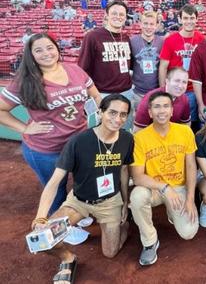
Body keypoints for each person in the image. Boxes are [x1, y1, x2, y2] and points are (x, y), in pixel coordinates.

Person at [30, 94, 134, 283]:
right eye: (112, 112)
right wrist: (41, 217)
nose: (117, 119)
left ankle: (123, 225)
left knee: (110, 253)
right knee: (42, 238)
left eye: (123, 114)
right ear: (100, 112)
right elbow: (54, 182)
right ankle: (68, 258)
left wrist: (125, 202)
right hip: (79, 201)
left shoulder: (127, 139)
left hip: (110, 202)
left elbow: (125, 169)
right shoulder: (78, 142)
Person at [0, 33, 101, 214]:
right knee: (56, 188)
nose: (46, 53)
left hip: (79, 144)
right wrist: (24, 128)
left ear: (57, 48)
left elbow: (95, 94)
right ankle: (61, 225)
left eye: (49, 47)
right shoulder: (25, 80)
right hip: (46, 149)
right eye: (38, 50)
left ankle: (76, 212)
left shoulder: (74, 69)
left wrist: (94, 112)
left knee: (82, 180)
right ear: (30, 55)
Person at [130, 91, 199, 266]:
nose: (162, 111)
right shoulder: (139, 138)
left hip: (179, 187)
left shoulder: (185, 132)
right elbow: (137, 177)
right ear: (150, 112)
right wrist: (165, 188)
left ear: (172, 110)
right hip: (153, 187)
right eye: (157, 107)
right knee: (137, 196)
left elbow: (191, 167)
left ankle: (172, 212)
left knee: (188, 232)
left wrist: (190, 199)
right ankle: (149, 241)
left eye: (166, 106)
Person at [78, 0, 133, 130]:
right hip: (102, 94)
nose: (118, 17)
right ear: (106, 15)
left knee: (124, 130)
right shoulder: (92, 36)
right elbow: (82, 70)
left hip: (126, 92)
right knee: (104, 131)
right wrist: (91, 95)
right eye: (114, 13)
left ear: (125, 17)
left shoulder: (125, 38)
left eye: (121, 14)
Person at [158, 5, 205, 126]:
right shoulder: (170, 40)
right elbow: (163, 66)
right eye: (185, 18)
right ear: (180, 19)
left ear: (196, 19)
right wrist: (163, 90)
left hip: (193, 90)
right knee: (172, 123)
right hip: (174, 89)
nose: (189, 21)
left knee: (192, 124)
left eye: (192, 18)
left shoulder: (202, 39)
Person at [130, 11, 165, 110]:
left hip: (157, 92)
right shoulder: (132, 41)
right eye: (145, 23)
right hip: (138, 93)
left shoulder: (162, 42)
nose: (148, 27)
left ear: (156, 25)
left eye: (151, 24)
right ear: (140, 24)